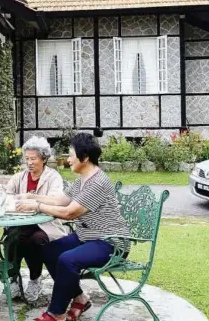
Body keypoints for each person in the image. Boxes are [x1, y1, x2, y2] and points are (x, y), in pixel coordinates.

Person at [16, 133, 130, 321]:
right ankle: (79, 298)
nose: (67, 160)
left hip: (110, 242)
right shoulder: (82, 180)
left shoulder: (98, 182)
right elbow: (60, 201)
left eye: (71, 155)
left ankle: (56, 313)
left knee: (67, 260)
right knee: (50, 251)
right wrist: (32, 196)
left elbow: (70, 212)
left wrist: (37, 206)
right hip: (88, 236)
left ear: (84, 158)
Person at [4, 136, 71, 302]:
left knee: (36, 240)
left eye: (33, 158)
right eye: (27, 159)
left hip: (46, 224)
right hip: (20, 222)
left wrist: (31, 198)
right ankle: (13, 279)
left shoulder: (53, 177)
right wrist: (9, 198)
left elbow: (56, 199)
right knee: (12, 238)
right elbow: (7, 194)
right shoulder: (20, 177)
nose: (29, 162)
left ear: (44, 158)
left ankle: (34, 279)